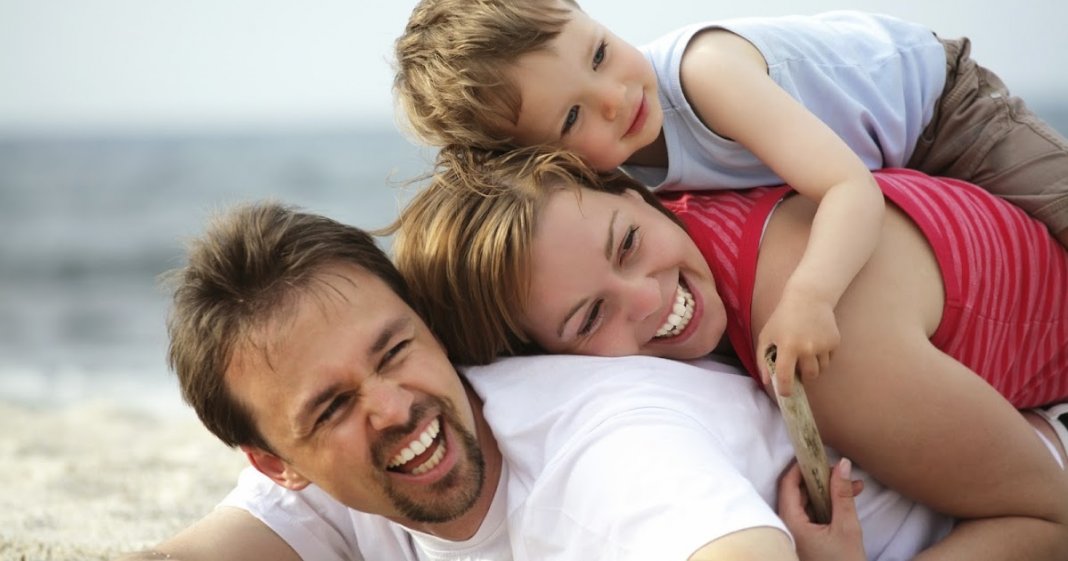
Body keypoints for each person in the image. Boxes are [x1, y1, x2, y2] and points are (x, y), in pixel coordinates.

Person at [118, 200, 978, 561]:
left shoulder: (607, 448)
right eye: (333, 405)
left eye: (395, 350)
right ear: (278, 461)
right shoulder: (346, 478)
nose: (392, 406)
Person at [389, 145, 1068, 560]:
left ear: (633, 193)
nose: (647, 298)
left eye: (626, 245)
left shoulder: (824, 349)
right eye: (591, 315)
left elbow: (1050, 516)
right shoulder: (701, 203)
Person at [393, 0, 1068, 393]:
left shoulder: (704, 76)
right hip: (879, 157)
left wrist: (809, 295)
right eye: (571, 118)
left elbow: (846, 189)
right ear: (548, 163)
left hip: (939, 103)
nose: (613, 98)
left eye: (598, 53)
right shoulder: (616, 173)